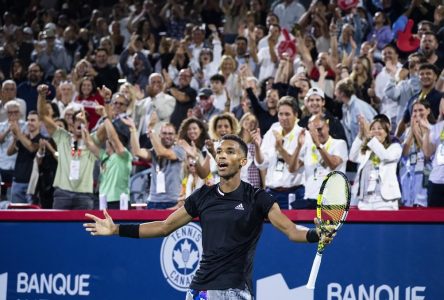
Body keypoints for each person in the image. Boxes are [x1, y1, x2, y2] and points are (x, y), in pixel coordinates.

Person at [84, 134, 334, 299]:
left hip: (235, 291)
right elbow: (163, 227)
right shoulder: (203, 196)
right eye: (219, 151)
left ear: (243, 161)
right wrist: (116, 229)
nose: (222, 155)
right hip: (199, 291)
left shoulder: (257, 198)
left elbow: (291, 230)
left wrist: (315, 234)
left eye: (230, 151)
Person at [124, 116, 186, 209]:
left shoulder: (180, 150)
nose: (167, 136)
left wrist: (151, 131)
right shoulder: (154, 152)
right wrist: (133, 129)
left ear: (175, 136)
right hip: (153, 201)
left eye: (170, 133)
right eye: (164, 133)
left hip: (173, 201)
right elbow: (137, 151)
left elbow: (163, 152)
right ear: (160, 135)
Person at [290, 114, 348, 208]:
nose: (316, 133)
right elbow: (292, 169)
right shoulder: (308, 148)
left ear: (327, 127)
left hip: (332, 203)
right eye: (313, 131)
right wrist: (298, 146)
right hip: (310, 200)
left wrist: (317, 143)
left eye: (319, 129)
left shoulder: (339, 144)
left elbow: (333, 164)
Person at [349, 116, 402, 210]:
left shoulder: (395, 147)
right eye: (372, 129)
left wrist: (370, 137)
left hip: (385, 201)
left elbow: (385, 156)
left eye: (379, 128)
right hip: (365, 201)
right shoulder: (367, 151)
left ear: (386, 133)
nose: (376, 131)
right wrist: (361, 134)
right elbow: (352, 156)